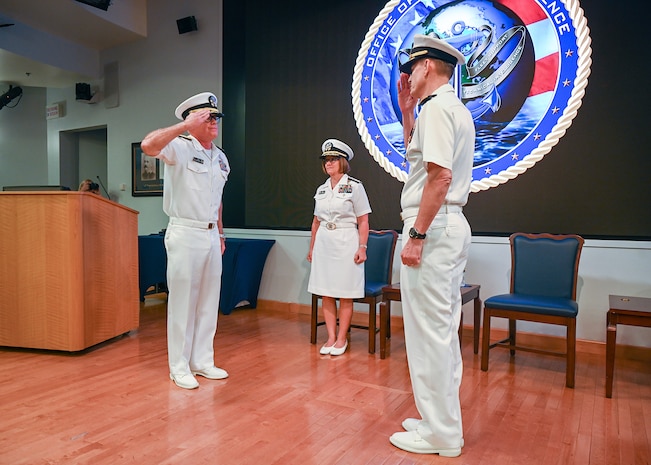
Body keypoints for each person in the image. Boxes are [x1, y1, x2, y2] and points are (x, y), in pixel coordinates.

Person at [388, 35, 475, 457]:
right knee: (436, 333)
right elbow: (418, 162)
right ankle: (436, 420)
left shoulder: (439, 109)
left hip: (433, 228)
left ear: (427, 67)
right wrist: (406, 113)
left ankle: (442, 434)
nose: (407, 74)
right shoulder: (439, 109)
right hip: (442, 226)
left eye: (413, 66)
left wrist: (417, 236)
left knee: (431, 336)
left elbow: (439, 180)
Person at [140, 92, 230, 390]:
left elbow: (216, 200)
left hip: (209, 234)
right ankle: (178, 366)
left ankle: (202, 360)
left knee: (208, 301)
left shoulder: (220, 156)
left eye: (215, 117)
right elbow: (148, 145)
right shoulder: (178, 146)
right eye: (208, 118)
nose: (214, 122)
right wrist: (184, 127)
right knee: (183, 301)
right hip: (184, 231)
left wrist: (220, 232)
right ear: (192, 120)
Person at [307, 139, 371, 356]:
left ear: (343, 161)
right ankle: (331, 337)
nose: (328, 163)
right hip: (325, 241)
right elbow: (316, 221)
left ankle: (342, 338)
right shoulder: (322, 189)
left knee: (344, 293)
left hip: (346, 241)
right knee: (326, 292)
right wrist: (312, 247)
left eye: (333, 159)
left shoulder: (355, 186)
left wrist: (362, 247)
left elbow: (363, 220)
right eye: (326, 160)